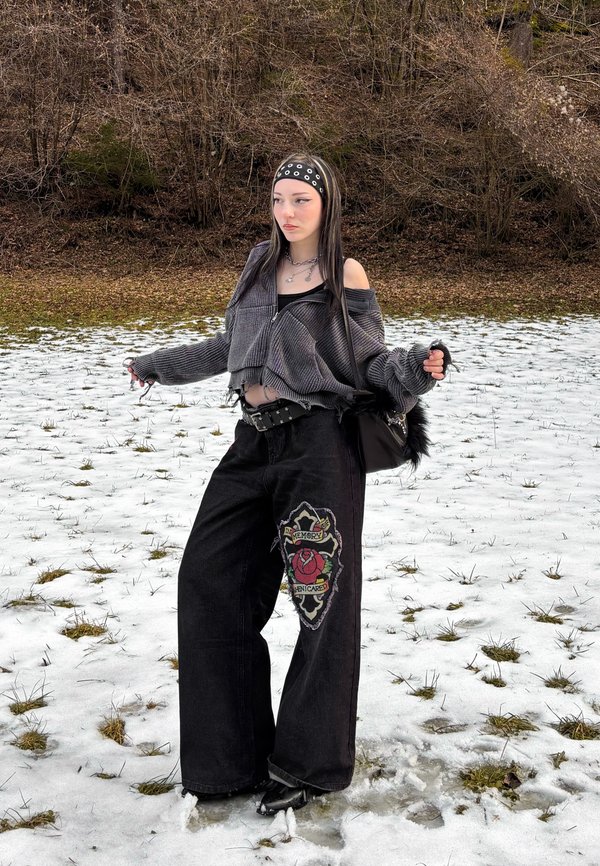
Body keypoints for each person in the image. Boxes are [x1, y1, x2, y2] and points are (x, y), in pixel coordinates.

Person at [126, 153, 450, 816]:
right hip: (254, 440)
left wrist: (419, 369)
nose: (288, 212)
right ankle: (228, 763)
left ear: (326, 204)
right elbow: (229, 349)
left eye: (301, 199)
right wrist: (158, 364)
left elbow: (373, 361)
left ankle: (309, 766)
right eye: (279, 199)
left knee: (320, 601)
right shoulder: (257, 266)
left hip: (320, 448)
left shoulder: (344, 274)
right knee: (208, 580)